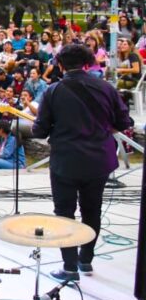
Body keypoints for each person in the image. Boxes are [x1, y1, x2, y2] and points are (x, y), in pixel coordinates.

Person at [32, 43, 132, 282]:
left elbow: (39, 131)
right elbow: (124, 121)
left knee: (64, 212)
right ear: (87, 63)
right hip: (99, 160)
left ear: (60, 64)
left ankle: (69, 267)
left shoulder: (53, 91)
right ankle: (85, 260)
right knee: (92, 210)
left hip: (66, 160)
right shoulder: (106, 88)